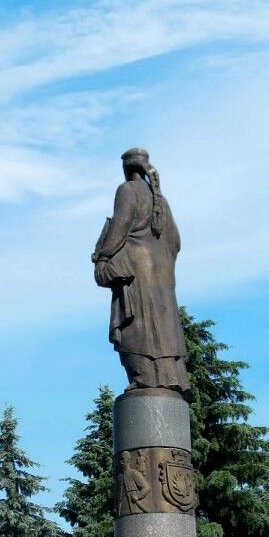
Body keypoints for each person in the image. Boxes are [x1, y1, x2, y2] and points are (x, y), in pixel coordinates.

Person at [93, 148, 189, 392]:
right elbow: (175, 242)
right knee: (164, 326)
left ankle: (144, 377)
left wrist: (103, 256)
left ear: (127, 169)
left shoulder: (127, 190)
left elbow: (120, 226)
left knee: (137, 325)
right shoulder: (162, 200)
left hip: (136, 268)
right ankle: (168, 377)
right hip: (162, 272)